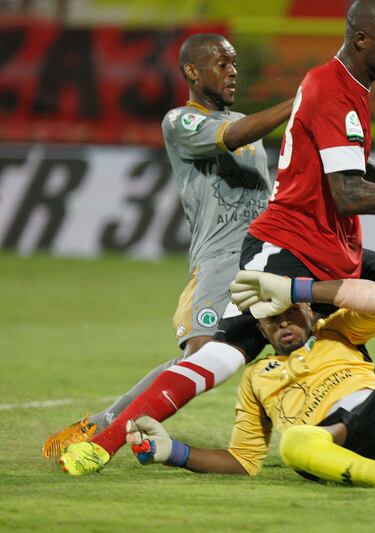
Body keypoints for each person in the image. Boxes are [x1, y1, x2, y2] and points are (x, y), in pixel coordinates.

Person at [56, 0, 375, 473]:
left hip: (330, 245)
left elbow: (353, 167)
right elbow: (346, 193)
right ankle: (106, 438)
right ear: (362, 40)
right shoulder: (323, 87)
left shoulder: (347, 90)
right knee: (217, 356)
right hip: (281, 248)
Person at [61, 244, 375, 494]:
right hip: (345, 439)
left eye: (287, 314)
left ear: (308, 314)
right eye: (268, 322)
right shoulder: (256, 379)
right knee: (295, 443)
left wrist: (300, 291)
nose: (281, 325)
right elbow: (245, 460)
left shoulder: (341, 331)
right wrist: (174, 452)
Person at [41, 33, 294, 458]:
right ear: (192, 72)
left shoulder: (250, 124)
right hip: (218, 266)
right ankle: (103, 429)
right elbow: (230, 135)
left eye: (234, 63)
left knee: (316, 343)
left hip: (264, 261)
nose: (232, 70)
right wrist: (299, 102)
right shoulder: (182, 120)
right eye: (221, 63)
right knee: (196, 362)